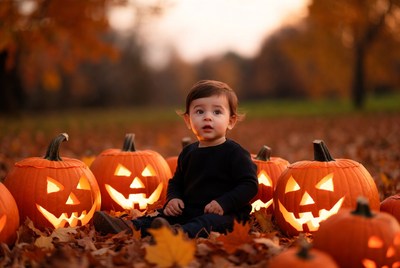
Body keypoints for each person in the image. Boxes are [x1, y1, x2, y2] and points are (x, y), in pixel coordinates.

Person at [93, 79, 258, 238]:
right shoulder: (188, 153)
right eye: (200, 111)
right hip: (190, 211)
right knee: (160, 216)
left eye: (217, 112)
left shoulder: (235, 153)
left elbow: (249, 185)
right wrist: (174, 198)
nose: (208, 117)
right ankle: (129, 227)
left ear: (231, 121)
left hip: (228, 215)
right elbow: (176, 183)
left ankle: (176, 234)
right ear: (188, 120)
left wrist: (224, 203)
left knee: (206, 222)